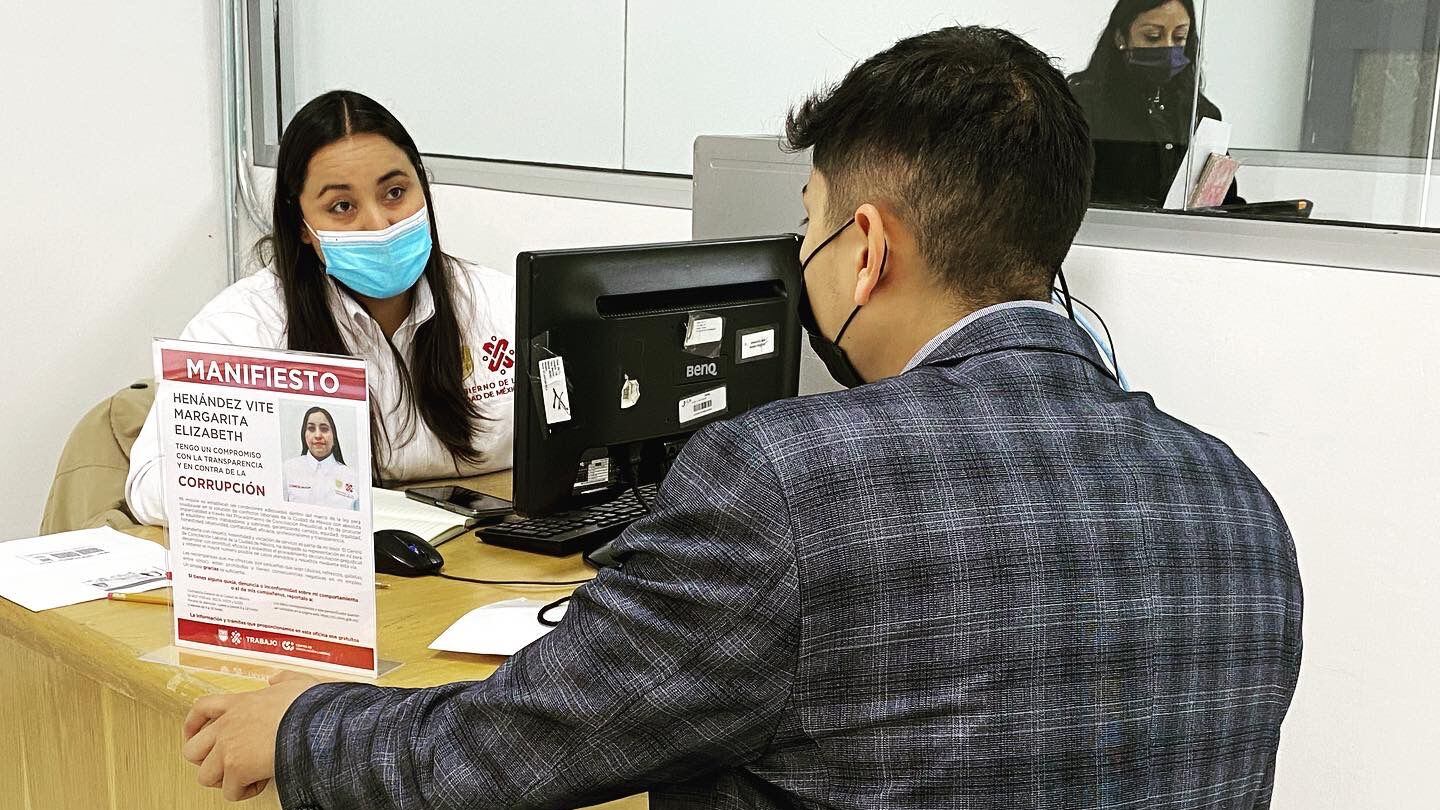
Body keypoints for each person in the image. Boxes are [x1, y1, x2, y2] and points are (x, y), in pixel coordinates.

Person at [180, 27, 1303, 809]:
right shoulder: (1240, 503)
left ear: (866, 247)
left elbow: (502, 750)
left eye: (806, 221)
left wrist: (299, 727)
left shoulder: (786, 485)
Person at [125, 91, 515, 526]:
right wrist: (286, 479)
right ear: (303, 226)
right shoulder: (241, 328)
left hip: (486, 557)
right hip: (326, 569)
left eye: (395, 192)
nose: (377, 223)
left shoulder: (502, 305)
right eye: (342, 207)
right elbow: (151, 485)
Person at [1069, 0, 1242, 207]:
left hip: (1183, 236)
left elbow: (1225, 200)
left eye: (1179, 38)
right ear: (1120, 38)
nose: (1168, 47)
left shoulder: (1202, 113)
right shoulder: (1083, 105)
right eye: (1152, 36)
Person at [281, 406, 358, 510]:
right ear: (304, 435)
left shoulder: (352, 477)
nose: (318, 435)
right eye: (311, 429)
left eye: (324, 429)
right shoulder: (287, 469)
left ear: (334, 437)